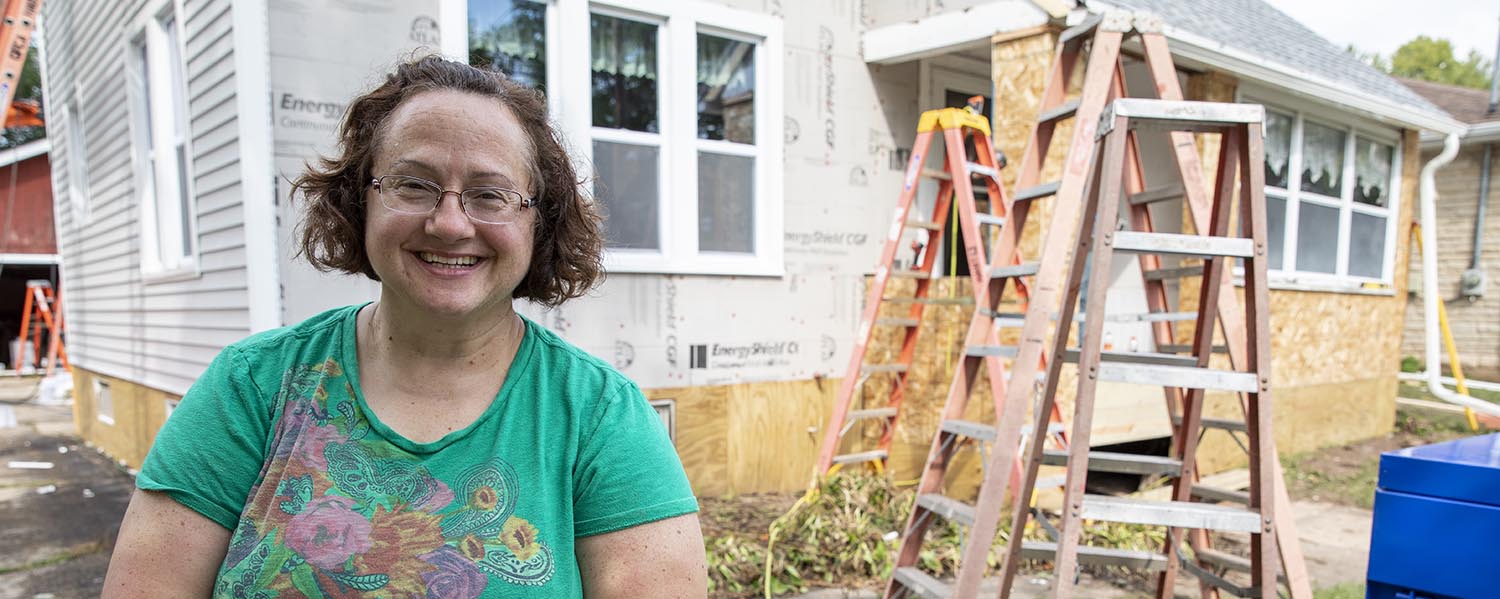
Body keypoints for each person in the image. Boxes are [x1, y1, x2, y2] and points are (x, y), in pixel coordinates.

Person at [102, 55, 706, 598]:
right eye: (414, 185)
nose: (449, 223)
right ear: (358, 202)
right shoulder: (250, 388)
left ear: (539, 223)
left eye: (490, 195)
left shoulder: (600, 419)